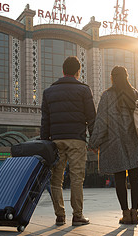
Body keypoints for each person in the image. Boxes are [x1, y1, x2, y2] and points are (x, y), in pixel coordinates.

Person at [89, 65, 138, 225]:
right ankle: (135, 212)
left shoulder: (107, 96)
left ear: (112, 77)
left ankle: (125, 213)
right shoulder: (136, 94)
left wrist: (94, 141)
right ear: (127, 77)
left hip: (114, 143)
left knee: (120, 178)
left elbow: (101, 122)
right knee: (136, 178)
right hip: (134, 142)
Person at [40, 56, 96, 226]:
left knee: (56, 179)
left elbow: (45, 120)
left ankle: (60, 215)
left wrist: (45, 142)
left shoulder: (48, 92)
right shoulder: (84, 90)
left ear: (63, 71)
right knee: (77, 177)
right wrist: (93, 140)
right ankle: (77, 215)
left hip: (56, 141)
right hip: (77, 140)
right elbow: (92, 117)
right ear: (78, 72)